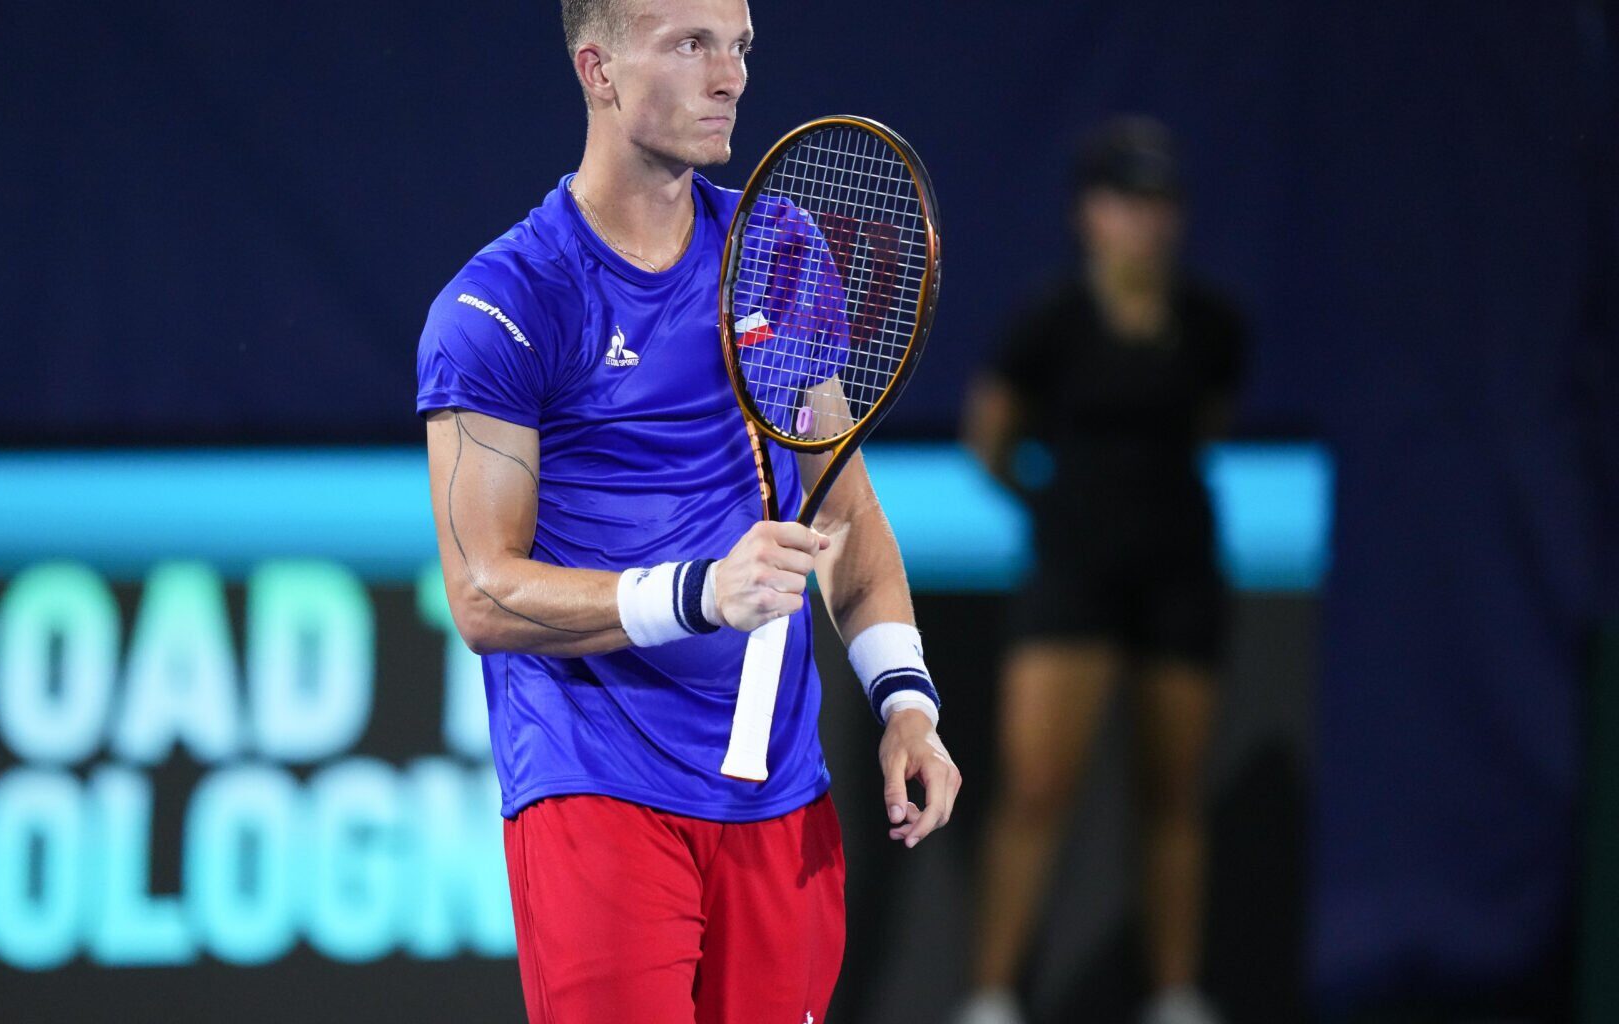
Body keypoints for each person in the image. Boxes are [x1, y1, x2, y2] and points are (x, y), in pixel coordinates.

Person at [414, 2, 961, 1020]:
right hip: (596, 786)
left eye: (740, 46)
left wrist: (906, 702)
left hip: (777, 800)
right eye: (691, 44)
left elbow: (841, 509)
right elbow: (485, 594)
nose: (731, 77)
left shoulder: (783, 251)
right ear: (599, 69)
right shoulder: (504, 304)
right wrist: (704, 592)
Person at [953, 117, 1247, 1024]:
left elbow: (1209, 425)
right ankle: (995, 998)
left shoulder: (1213, 326)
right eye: (1127, 201)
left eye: (1161, 202)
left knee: (1172, 793)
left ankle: (1173, 996)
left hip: (1179, 576)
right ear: (1090, 214)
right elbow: (989, 440)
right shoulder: (1050, 322)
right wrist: (1061, 511)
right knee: (1036, 789)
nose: (1146, 222)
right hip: (1072, 574)